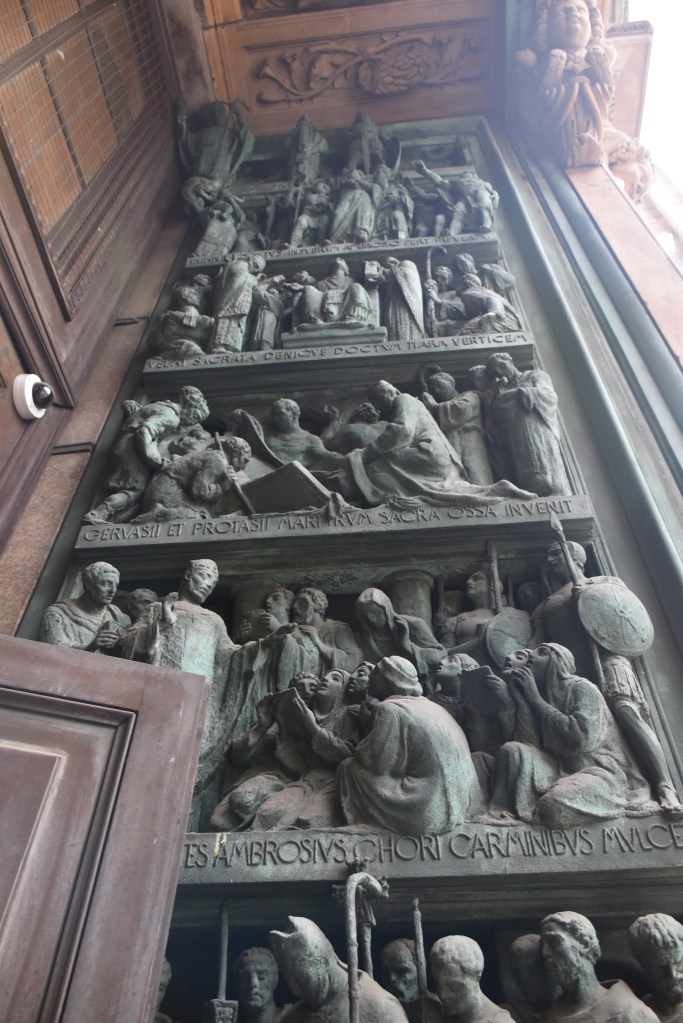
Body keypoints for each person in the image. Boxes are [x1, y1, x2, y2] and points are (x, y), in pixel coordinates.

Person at [532, 540, 683, 815]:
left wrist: (587, 598)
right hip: (573, 676)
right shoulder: (545, 606)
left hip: (606, 661)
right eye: (548, 555)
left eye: (555, 553)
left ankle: (664, 786)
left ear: (576, 556)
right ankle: (620, 783)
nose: (550, 560)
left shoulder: (605, 582)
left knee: (627, 715)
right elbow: (538, 644)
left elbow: (626, 616)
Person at [486, 644, 650, 828]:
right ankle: (503, 813)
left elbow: (580, 739)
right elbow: (528, 742)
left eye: (542, 652)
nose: (532, 656)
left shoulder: (582, 688)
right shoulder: (541, 695)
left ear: (557, 661)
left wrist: (536, 700)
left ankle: (535, 815)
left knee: (553, 806)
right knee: (512, 750)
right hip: (557, 767)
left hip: (600, 773)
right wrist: (519, 700)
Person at [328, 380, 530, 508]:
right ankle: (497, 489)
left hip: (426, 453)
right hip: (435, 456)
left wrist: (366, 452)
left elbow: (402, 431)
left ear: (391, 391)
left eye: (380, 399)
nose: (380, 407)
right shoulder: (413, 403)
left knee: (376, 468)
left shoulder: (403, 399)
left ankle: (387, 500)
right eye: (377, 403)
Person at [336, 655, 480, 835]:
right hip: (462, 806)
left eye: (376, 673)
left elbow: (379, 765)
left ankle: (365, 826)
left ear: (389, 681)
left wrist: (368, 727)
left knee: (348, 768)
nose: (370, 677)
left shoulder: (389, 708)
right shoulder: (434, 707)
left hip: (425, 809)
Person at [83, 387, 211, 524]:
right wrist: (156, 460)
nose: (192, 422)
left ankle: (113, 519)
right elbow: (144, 432)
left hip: (126, 445)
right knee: (139, 490)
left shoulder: (162, 406)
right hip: (132, 448)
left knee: (140, 492)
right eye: (195, 416)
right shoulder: (172, 417)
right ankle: (98, 514)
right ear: (188, 405)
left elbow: (135, 413)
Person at [269, 915, 407, 1022]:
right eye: (290, 981)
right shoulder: (293, 1017)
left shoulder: (380, 1007)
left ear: (322, 961)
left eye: (300, 979)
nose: (295, 990)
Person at [539, 911, 658, 1023]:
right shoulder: (547, 1018)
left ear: (585, 945)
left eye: (554, 942)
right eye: (543, 945)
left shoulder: (632, 1015)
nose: (545, 952)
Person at [484, 353, 570, 496]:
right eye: (495, 371)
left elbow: (549, 395)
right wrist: (499, 392)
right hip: (516, 434)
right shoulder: (499, 388)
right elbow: (495, 418)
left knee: (546, 463)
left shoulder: (534, 375)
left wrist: (522, 393)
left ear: (510, 361)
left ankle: (556, 491)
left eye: (501, 365)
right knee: (526, 468)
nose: (499, 371)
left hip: (538, 428)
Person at [355, 587, 445, 690]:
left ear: (386, 609)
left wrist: (407, 646)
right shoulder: (364, 636)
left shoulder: (414, 625)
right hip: (379, 689)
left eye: (375, 612)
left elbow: (440, 656)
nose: (371, 619)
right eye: (365, 615)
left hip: (414, 688)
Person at [40, 561, 131, 652]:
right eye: (105, 584)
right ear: (88, 584)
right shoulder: (58, 613)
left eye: (116, 585)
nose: (112, 590)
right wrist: (90, 647)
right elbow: (53, 650)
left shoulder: (119, 617)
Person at [430, 935, 512, 1022]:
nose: (443, 995)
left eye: (454, 987)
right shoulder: (440, 1012)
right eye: (437, 984)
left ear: (477, 977)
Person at [629, 914, 683, 1023]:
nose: (673, 975)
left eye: (679, 963)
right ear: (645, 967)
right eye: (661, 968)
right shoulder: (635, 1017)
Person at [210, 254, 267, 353]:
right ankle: (220, 347)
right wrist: (257, 279)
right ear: (249, 258)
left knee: (233, 324)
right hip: (231, 302)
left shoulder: (234, 265)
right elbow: (241, 281)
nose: (254, 270)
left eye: (257, 270)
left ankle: (228, 347)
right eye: (255, 265)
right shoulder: (241, 265)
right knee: (227, 322)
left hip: (233, 301)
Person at [380, 939, 441, 1023]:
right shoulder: (382, 1008)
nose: (392, 978)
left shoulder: (442, 1007)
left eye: (401, 971)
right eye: (386, 973)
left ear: (420, 967)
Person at [235, 947, 291, 1023]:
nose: (253, 984)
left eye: (261, 978)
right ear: (237, 983)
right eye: (244, 978)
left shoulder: (294, 1017)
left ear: (275, 980)